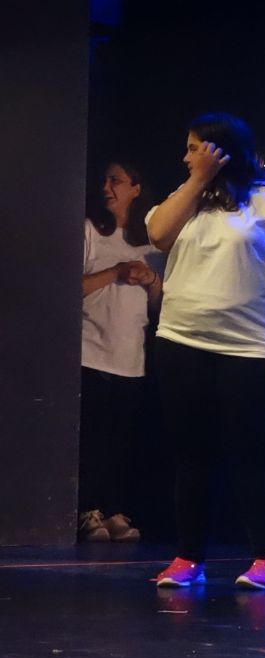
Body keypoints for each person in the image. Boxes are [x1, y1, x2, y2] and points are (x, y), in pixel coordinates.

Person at [145, 114, 265, 590]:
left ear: (221, 151)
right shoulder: (187, 199)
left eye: (194, 148)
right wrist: (198, 180)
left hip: (249, 346)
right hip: (182, 341)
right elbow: (158, 234)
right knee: (191, 455)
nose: (186, 157)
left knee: (251, 455)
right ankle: (188, 558)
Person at [79, 160, 163, 544]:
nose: (106, 187)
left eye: (116, 180)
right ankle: (86, 510)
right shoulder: (90, 232)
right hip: (92, 351)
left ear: (136, 188)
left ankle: (112, 508)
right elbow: (72, 286)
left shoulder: (151, 243)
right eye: (104, 179)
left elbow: (161, 304)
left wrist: (150, 279)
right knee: (92, 438)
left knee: (120, 441)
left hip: (131, 358)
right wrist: (116, 272)